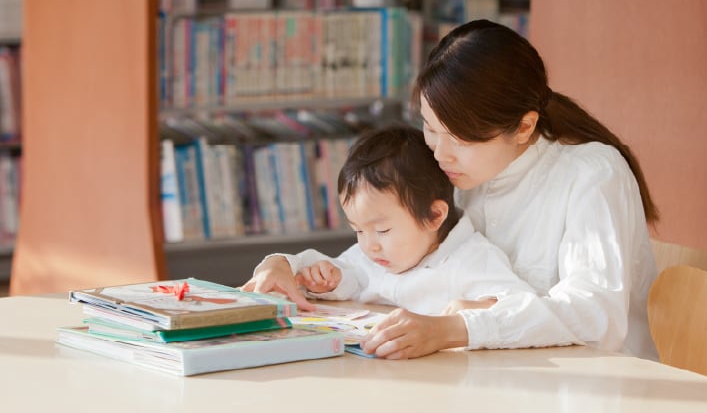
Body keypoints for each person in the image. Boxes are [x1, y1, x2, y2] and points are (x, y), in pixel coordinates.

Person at [244, 19, 661, 362]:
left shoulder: (591, 174)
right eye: (430, 127)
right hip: (490, 382)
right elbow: (381, 261)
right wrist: (287, 263)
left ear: (524, 127)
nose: (439, 152)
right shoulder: (455, 172)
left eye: (460, 139)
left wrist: (455, 328)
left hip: (592, 395)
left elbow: (595, 318)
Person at [240, 124, 535, 315]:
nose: (370, 246)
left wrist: (477, 310)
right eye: (357, 231)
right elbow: (351, 276)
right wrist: (328, 280)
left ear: (434, 215)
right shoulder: (373, 256)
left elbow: (523, 308)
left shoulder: (472, 259)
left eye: (382, 230)